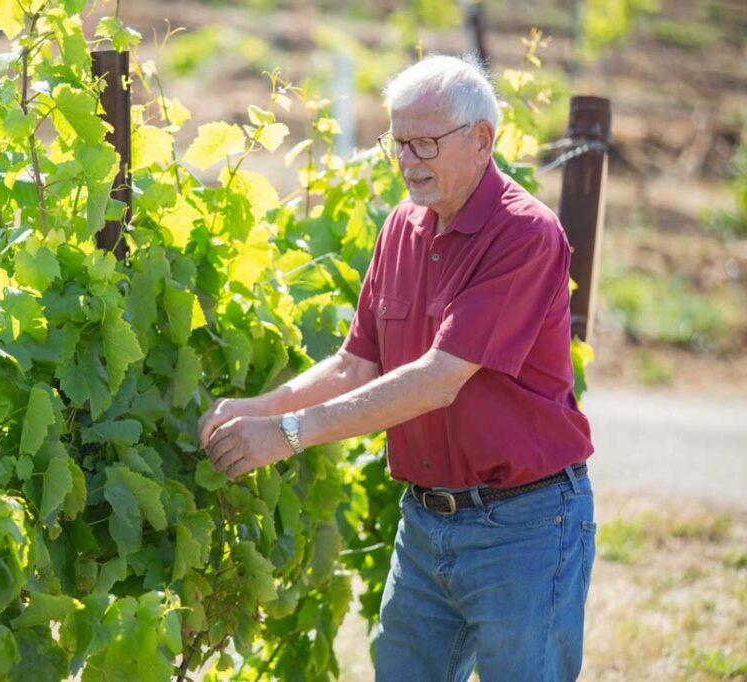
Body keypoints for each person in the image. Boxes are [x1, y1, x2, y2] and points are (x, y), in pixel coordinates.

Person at [197, 54, 596, 681]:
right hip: (425, 527)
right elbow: (356, 365)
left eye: (424, 143)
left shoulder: (525, 235)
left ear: (481, 140)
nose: (407, 161)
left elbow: (438, 379)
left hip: (523, 527)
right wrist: (257, 409)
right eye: (398, 142)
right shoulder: (401, 228)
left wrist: (290, 433)